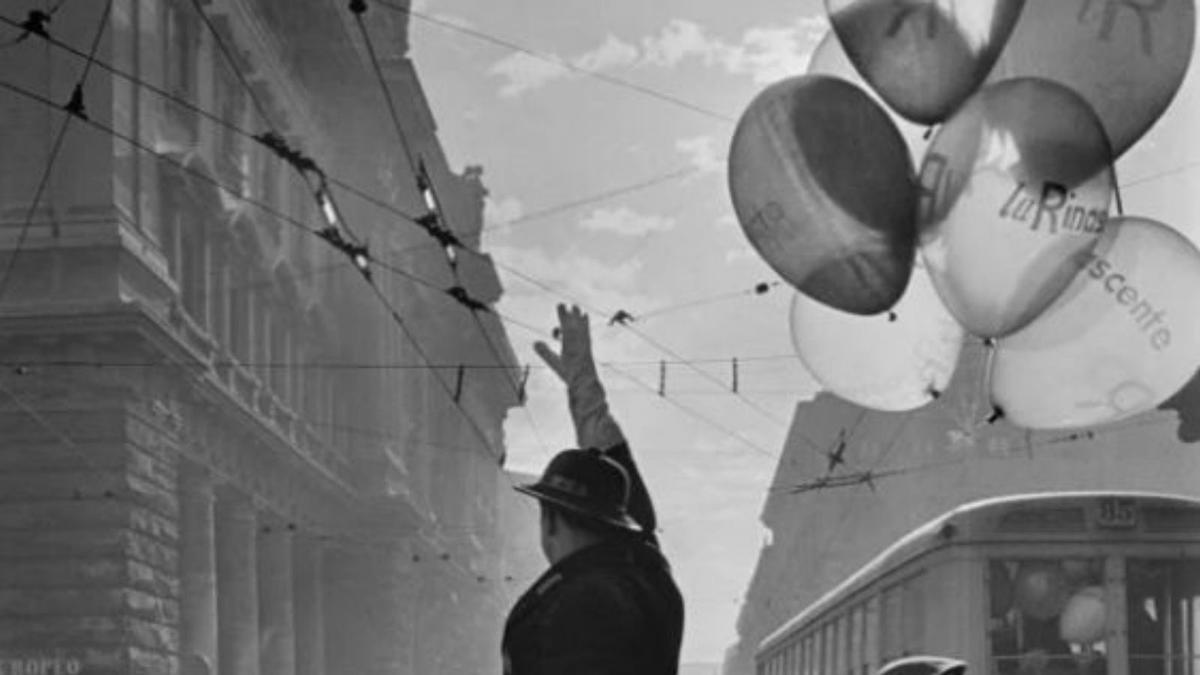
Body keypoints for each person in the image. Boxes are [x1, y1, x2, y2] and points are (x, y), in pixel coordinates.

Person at [501, 304, 684, 675]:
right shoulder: (646, 575)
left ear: (550, 522)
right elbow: (619, 471)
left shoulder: (578, 602)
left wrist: (582, 383)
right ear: (615, 519)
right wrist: (581, 385)